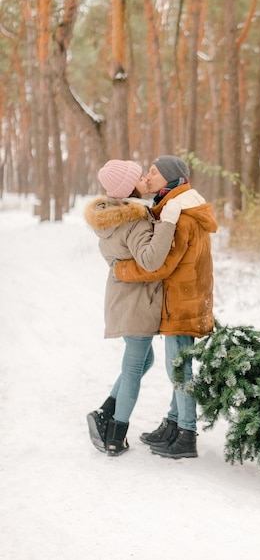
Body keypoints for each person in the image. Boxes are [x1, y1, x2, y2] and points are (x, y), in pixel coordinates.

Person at [114, 155, 218, 459]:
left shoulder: (182, 215)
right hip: (184, 297)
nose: (148, 175)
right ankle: (173, 424)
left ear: (171, 179)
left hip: (181, 301)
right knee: (178, 365)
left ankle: (186, 434)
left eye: (154, 172)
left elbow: (159, 265)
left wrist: (122, 270)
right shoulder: (179, 206)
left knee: (179, 369)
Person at [85, 159, 182, 456]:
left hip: (120, 300)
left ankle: (106, 411)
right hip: (137, 303)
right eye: (138, 176)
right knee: (132, 368)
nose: (143, 177)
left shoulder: (109, 217)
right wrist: (168, 224)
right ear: (129, 187)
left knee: (143, 362)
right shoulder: (135, 220)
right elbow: (151, 260)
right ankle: (116, 434)